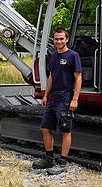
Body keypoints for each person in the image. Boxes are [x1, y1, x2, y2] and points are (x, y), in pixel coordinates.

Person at [33, 28, 82, 170]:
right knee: (45, 128)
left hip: (65, 98)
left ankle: (62, 162)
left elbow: (78, 78)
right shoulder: (53, 56)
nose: (59, 41)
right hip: (53, 98)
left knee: (65, 130)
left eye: (62, 39)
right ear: (53, 40)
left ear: (66, 39)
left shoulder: (73, 56)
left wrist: (75, 99)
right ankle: (49, 158)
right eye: (56, 39)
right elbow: (51, 77)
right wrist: (46, 95)